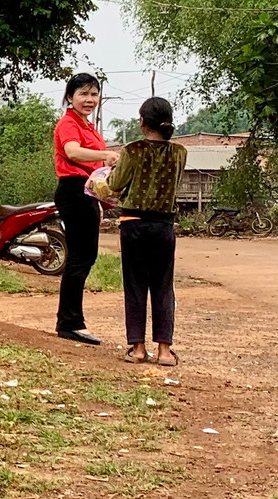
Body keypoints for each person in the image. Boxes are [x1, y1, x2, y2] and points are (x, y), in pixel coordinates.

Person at [105, 97, 187, 366]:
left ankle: (138, 348)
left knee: (135, 284)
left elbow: (116, 185)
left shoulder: (132, 150)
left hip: (133, 223)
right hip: (164, 225)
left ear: (142, 122)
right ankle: (164, 350)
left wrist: (101, 180)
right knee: (163, 286)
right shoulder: (179, 153)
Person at [53, 73, 120, 345]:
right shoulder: (68, 124)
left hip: (87, 192)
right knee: (81, 257)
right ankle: (70, 322)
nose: (89, 99)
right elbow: (73, 152)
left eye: (94, 94)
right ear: (70, 97)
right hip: (73, 190)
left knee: (86, 256)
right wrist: (105, 155)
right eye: (83, 94)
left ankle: (71, 319)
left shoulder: (88, 126)